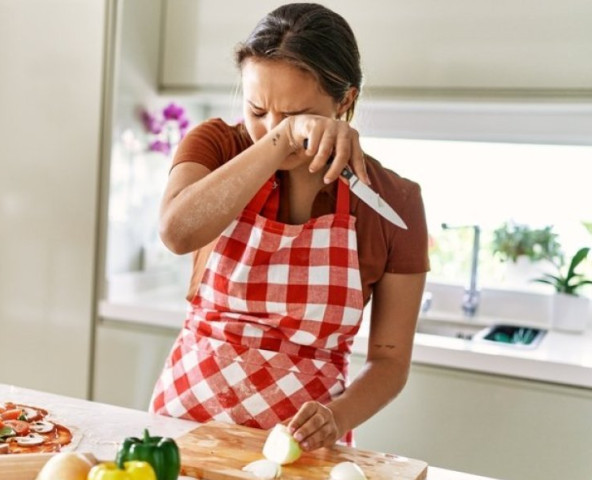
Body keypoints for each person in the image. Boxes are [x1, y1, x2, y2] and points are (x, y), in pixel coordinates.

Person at [150, 3, 429, 451]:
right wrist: (282, 139)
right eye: (257, 109)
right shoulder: (217, 145)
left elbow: (390, 362)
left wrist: (334, 419)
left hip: (299, 449)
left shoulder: (394, 201)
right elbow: (177, 233)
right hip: (184, 424)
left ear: (346, 101)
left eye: (297, 112)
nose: (269, 128)